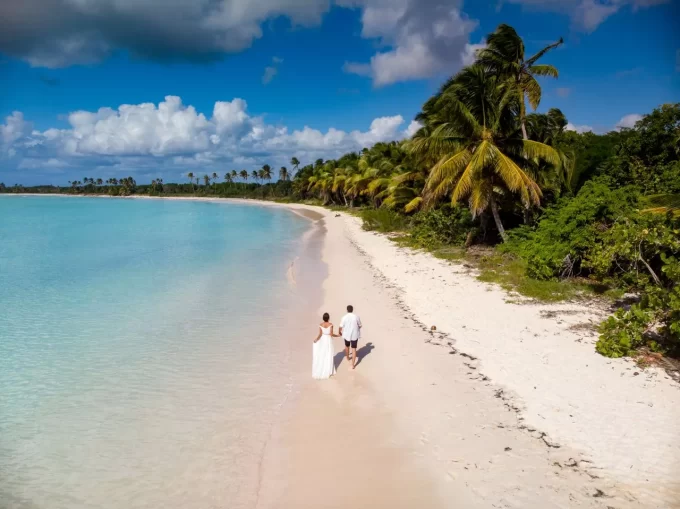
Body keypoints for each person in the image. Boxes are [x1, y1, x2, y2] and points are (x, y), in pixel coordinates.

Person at [312, 312, 339, 379]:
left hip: (323, 339)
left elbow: (320, 334)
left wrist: (316, 340)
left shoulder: (321, 325)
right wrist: (338, 335)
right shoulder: (331, 324)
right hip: (328, 340)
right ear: (328, 318)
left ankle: (323, 367)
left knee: (323, 354)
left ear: (323, 318)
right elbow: (331, 334)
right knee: (329, 354)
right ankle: (329, 370)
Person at [339, 305, 362, 369]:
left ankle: (348, 357)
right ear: (352, 310)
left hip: (346, 335)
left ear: (347, 310)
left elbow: (340, 327)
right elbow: (360, 325)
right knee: (354, 348)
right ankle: (353, 365)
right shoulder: (356, 316)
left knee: (347, 346)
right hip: (354, 334)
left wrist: (339, 332)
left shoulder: (344, 317)